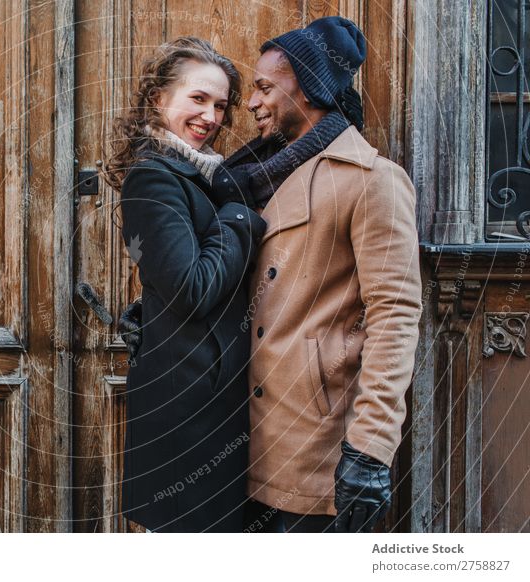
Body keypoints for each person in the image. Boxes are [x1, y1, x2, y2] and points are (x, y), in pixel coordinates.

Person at [121, 17, 422, 533]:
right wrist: (157, 314)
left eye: (263, 88)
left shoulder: (372, 180)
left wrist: (371, 448)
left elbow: (395, 315)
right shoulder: (251, 174)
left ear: (305, 86)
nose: (249, 105)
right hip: (235, 442)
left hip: (311, 444)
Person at [103, 37, 267, 532]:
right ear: (158, 99)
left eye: (220, 105)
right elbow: (190, 288)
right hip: (187, 411)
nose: (212, 116)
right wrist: (240, 217)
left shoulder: (198, 175)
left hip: (205, 397)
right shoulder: (153, 178)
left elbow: (166, 274)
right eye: (198, 99)